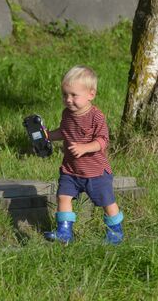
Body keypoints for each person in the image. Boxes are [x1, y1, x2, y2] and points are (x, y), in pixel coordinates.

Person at [42, 65, 124, 244]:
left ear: (91, 94)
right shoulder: (67, 114)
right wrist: (48, 135)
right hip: (71, 170)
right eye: (65, 95)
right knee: (63, 196)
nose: (68, 100)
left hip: (95, 171)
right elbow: (64, 131)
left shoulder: (96, 117)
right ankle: (64, 232)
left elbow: (103, 140)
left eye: (73, 95)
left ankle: (115, 232)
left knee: (107, 202)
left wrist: (84, 148)